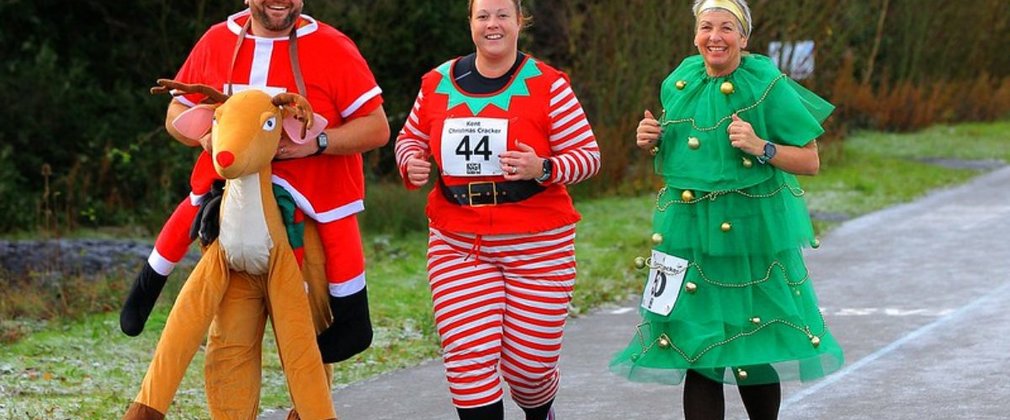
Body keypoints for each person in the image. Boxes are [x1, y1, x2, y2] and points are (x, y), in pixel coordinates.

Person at [124, 0, 389, 416]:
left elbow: (377, 127)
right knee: (228, 347)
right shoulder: (216, 41)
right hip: (233, 225)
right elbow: (177, 109)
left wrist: (316, 144)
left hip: (308, 227)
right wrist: (204, 137)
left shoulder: (333, 46)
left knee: (305, 347)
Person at [610, 0, 844, 419]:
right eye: (706, 27)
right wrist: (652, 139)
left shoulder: (765, 83)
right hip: (687, 234)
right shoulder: (680, 80)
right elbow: (687, 154)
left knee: (750, 350)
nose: (715, 36)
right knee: (700, 353)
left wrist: (761, 147)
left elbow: (810, 161)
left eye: (726, 28)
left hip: (748, 237)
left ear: (743, 37)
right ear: (695, 34)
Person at [394, 0, 601, 418]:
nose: (493, 25)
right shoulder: (437, 81)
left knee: (529, 367)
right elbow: (409, 138)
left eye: (502, 15)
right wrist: (410, 161)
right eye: (483, 16)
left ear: (519, 22)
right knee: (467, 359)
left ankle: (539, 409)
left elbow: (588, 157)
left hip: (538, 245)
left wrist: (543, 166)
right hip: (459, 242)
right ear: (470, 23)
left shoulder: (549, 84)